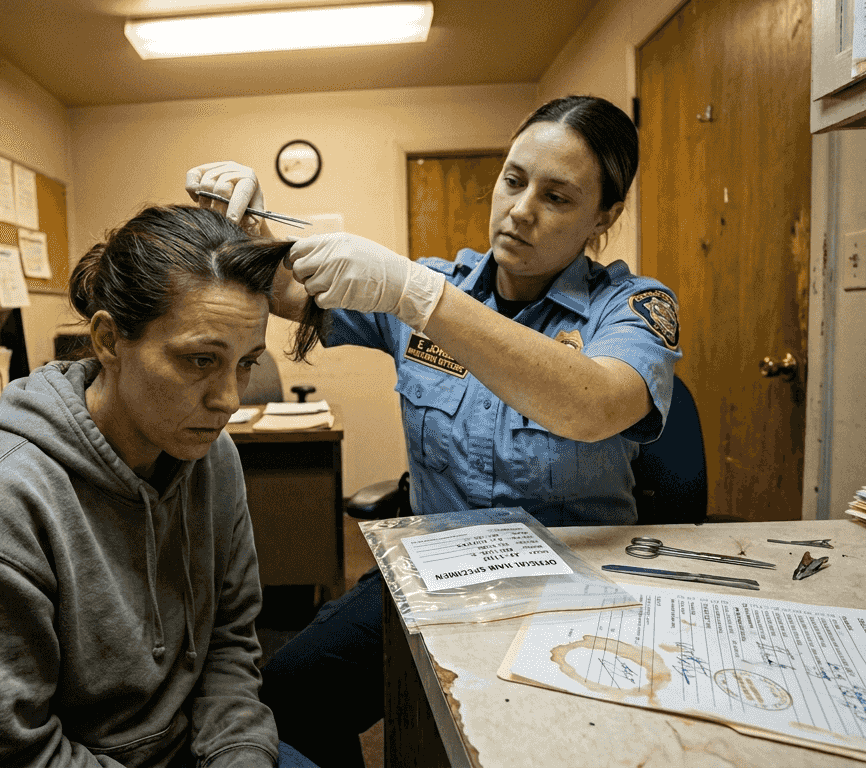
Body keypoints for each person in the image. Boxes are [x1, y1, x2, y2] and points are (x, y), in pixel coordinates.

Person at [186, 95, 681, 768]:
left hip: (573, 588)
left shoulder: (629, 306)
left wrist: (423, 299)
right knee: (287, 698)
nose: (521, 210)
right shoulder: (426, 286)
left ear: (605, 216)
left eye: (558, 197)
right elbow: (285, 291)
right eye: (513, 180)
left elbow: (594, 405)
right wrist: (236, 224)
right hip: (436, 576)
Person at [0, 205, 324, 768]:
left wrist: (239, 755)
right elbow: (0, 754)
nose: (229, 401)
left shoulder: (213, 458)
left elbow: (227, 645)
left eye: (245, 364)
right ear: (109, 340)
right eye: (200, 360)